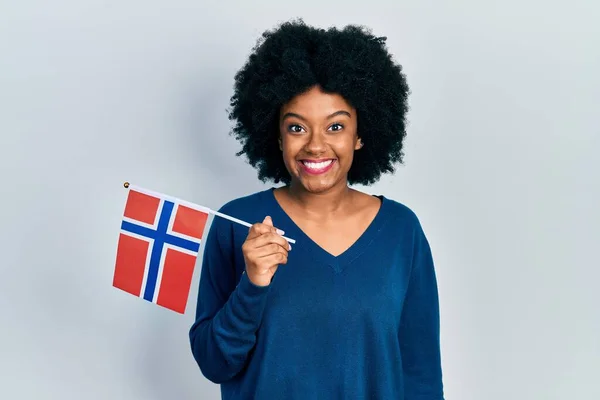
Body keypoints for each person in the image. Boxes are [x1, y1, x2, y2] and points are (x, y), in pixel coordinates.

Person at [189, 19, 444, 399]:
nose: (315, 146)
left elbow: (421, 372)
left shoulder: (401, 230)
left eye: (335, 127)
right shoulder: (237, 224)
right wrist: (253, 284)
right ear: (275, 135)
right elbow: (214, 363)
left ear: (361, 134)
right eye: (297, 128)